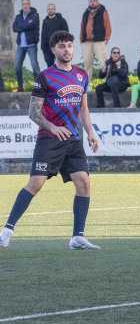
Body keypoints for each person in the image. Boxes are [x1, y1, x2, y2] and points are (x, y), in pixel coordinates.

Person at [0, 31, 100, 251]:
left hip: (73, 139)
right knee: (35, 184)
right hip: (49, 139)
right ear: (53, 49)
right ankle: (6, 231)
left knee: (83, 182)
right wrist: (53, 127)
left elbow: (83, 108)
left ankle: (77, 237)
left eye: (69, 45)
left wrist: (90, 132)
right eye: (62, 46)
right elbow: (33, 113)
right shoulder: (45, 77)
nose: (67, 50)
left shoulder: (82, 75)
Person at [79, 0, 112, 79]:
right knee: (87, 64)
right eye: (91, 1)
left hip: (99, 41)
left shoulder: (103, 11)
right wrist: (81, 40)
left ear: (97, 2)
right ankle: (87, 84)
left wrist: (106, 38)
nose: (92, 2)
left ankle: (109, 81)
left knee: (104, 63)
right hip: (87, 42)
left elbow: (107, 25)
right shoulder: (86, 13)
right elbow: (82, 26)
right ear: (88, 2)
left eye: (94, 1)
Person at [12, 0, 40, 92]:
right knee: (17, 66)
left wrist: (21, 26)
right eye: (23, 4)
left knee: (34, 66)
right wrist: (26, 25)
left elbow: (31, 25)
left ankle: (38, 86)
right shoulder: (18, 17)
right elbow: (14, 28)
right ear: (22, 5)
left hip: (31, 44)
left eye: (27, 3)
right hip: (20, 45)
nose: (25, 5)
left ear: (29, 4)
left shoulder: (35, 15)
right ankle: (20, 86)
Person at [40, 3, 69, 68]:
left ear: (55, 10)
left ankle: (61, 75)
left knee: (61, 65)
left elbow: (66, 34)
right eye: (49, 9)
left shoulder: (61, 20)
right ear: (47, 10)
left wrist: (64, 45)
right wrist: (43, 47)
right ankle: (52, 75)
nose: (51, 10)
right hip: (48, 48)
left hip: (59, 46)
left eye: (52, 9)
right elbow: (43, 35)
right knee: (50, 66)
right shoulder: (45, 21)